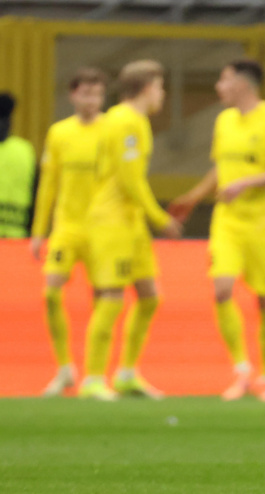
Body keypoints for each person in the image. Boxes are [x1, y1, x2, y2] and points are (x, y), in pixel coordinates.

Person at [169, 60, 265, 403]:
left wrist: (245, 182)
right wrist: (193, 197)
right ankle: (242, 369)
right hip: (229, 221)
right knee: (222, 288)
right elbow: (221, 168)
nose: (218, 86)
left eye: (223, 79)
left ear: (242, 84)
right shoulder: (224, 120)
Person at [81, 60, 183, 401]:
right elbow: (129, 179)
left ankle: (126, 374)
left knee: (150, 296)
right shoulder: (124, 120)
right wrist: (159, 217)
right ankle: (93, 379)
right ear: (147, 88)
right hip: (112, 219)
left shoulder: (134, 120)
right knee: (111, 298)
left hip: (130, 221)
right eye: (160, 87)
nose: (162, 94)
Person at [30, 68, 108, 396]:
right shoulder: (59, 133)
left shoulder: (112, 130)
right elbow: (48, 184)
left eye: (97, 94)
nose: (91, 100)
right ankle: (64, 368)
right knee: (50, 294)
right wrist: (38, 231)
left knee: (103, 300)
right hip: (67, 226)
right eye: (85, 93)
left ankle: (95, 373)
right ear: (72, 95)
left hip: (102, 228)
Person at [0, 93, 37, 239]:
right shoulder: (24, 150)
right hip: (18, 232)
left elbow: (35, 191)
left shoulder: (25, 150)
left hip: (18, 236)